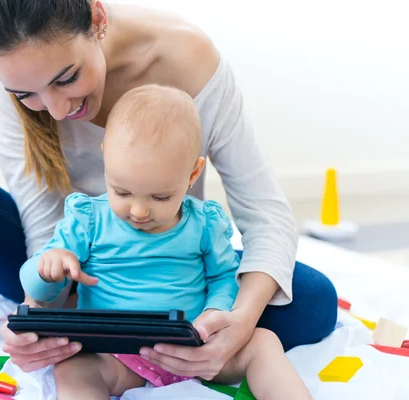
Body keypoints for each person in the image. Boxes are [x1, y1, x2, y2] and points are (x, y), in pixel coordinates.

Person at [0, 1, 336, 398]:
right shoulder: (8, 96)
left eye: (66, 78)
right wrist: (41, 316)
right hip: (70, 262)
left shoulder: (189, 62)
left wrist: (239, 320)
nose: (56, 110)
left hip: (170, 267)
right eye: (29, 95)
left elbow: (264, 212)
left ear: (97, 17)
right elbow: (44, 237)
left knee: (310, 300)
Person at [21, 84, 313, 400]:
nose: (139, 210)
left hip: (195, 354)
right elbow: (37, 293)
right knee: (73, 365)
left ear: (193, 174)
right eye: (122, 191)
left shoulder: (203, 224)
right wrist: (45, 269)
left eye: (161, 196)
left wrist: (214, 315)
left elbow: (223, 278)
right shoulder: (88, 219)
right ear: (107, 156)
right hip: (119, 355)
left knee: (264, 341)